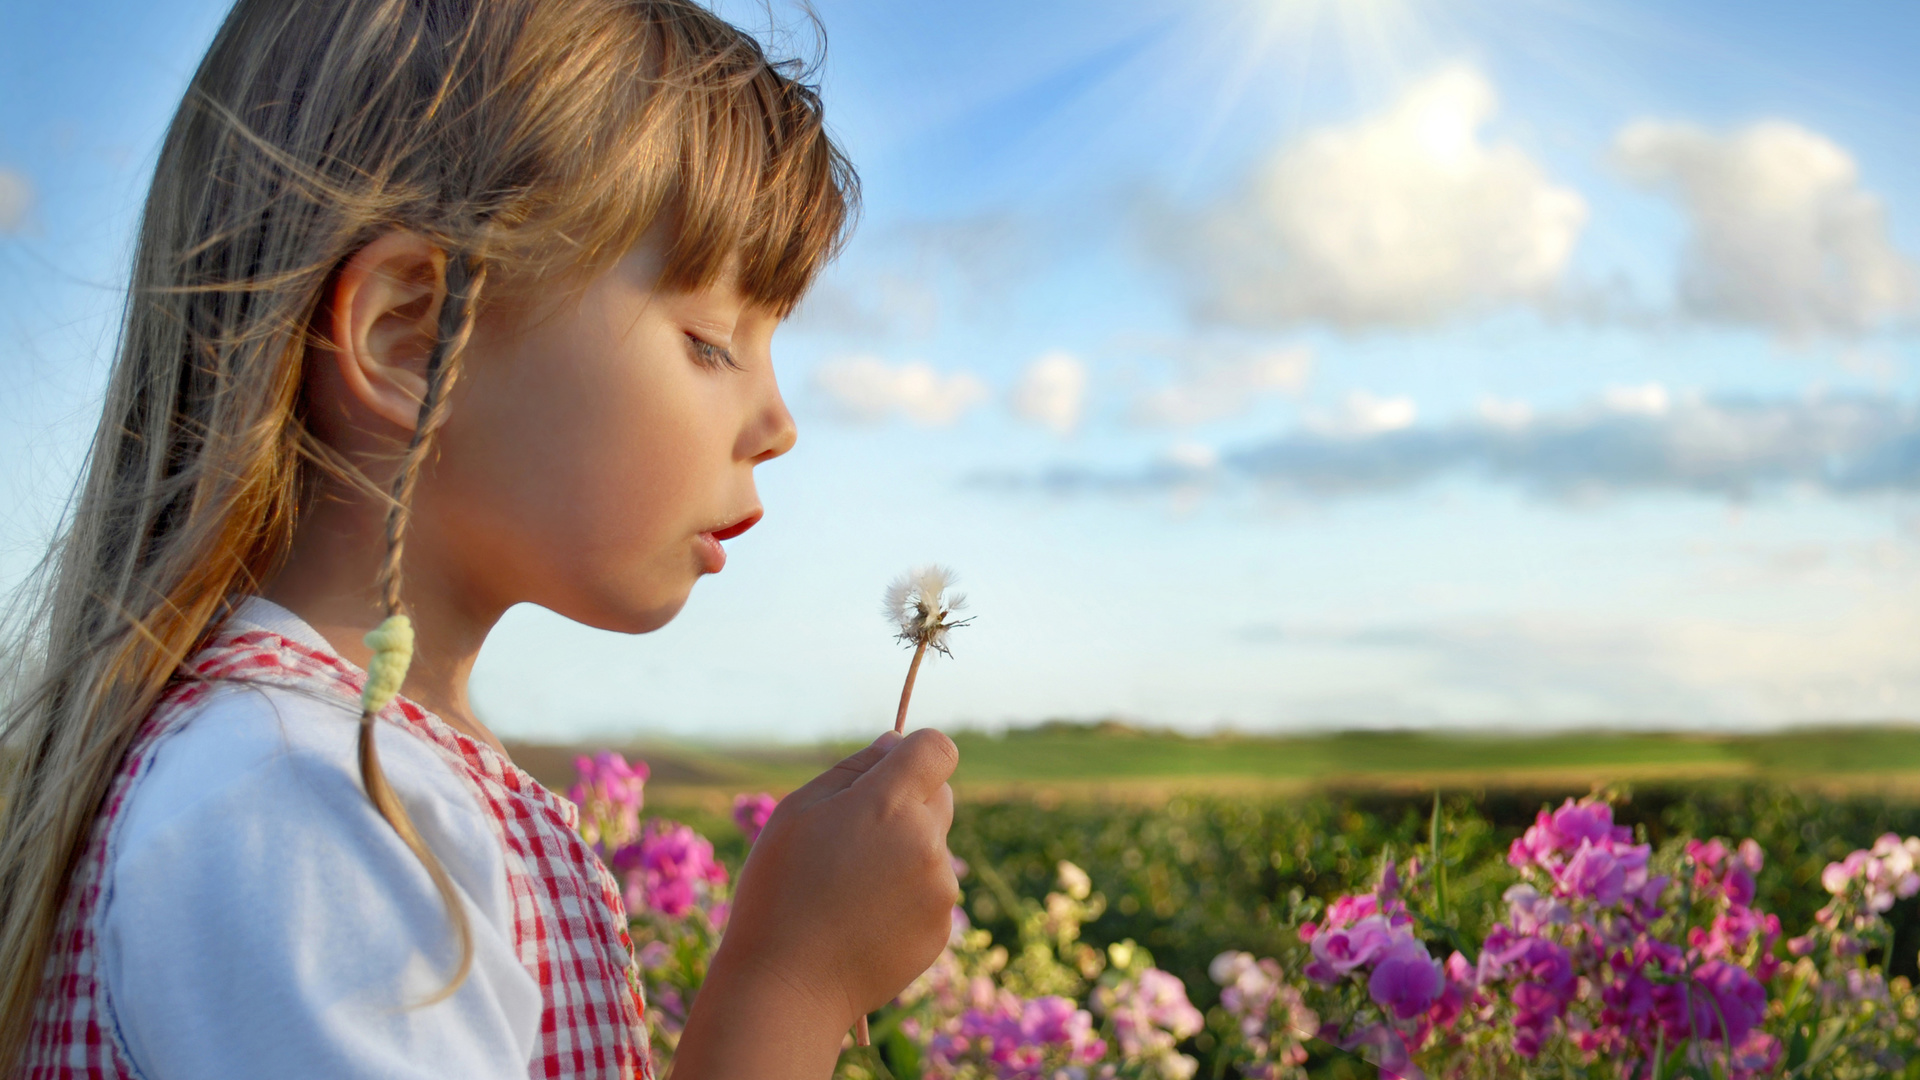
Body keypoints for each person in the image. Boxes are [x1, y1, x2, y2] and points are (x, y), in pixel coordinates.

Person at [0, 0, 961, 1076]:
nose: (779, 425)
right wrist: (793, 981)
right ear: (415, 335)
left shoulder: (359, 780)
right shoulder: (296, 803)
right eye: (708, 342)